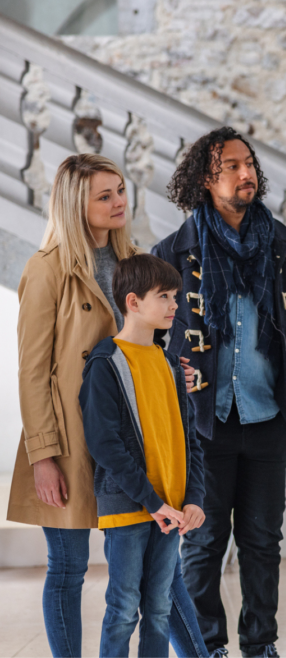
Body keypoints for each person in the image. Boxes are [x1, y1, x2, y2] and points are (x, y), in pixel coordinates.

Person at [5, 153, 209, 658]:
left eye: (120, 190)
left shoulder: (134, 259)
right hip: (71, 439)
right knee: (69, 567)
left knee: (161, 570)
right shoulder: (46, 269)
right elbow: (32, 371)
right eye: (105, 195)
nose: (120, 202)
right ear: (76, 203)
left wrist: (169, 372)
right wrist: (43, 454)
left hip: (137, 439)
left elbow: (144, 341)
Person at [153, 127, 286, 658]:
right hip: (204, 424)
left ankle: (260, 644)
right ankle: (208, 647)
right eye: (233, 167)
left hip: (267, 416)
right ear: (205, 179)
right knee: (202, 544)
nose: (248, 175)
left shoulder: (282, 244)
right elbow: (157, 342)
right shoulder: (174, 252)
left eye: (250, 165)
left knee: (263, 543)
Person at [80, 254, 207, 657]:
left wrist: (194, 498)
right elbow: (104, 444)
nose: (175, 305)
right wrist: (151, 501)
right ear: (133, 302)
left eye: (176, 296)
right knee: (122, 609)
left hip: (170, 510)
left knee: (158, 608)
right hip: (132, 507)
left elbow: (191, 440)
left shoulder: (170, 364)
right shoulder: (105, 363)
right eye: (165, 297)